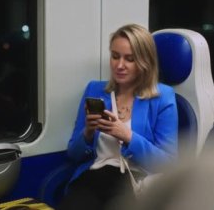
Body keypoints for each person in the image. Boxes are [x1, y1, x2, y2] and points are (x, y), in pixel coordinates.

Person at [58, 24, 178, 210]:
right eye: (115, 56)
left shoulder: (162, 97)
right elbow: (73, 154)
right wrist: (88, 133)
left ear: (145, 62)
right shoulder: (94, 90)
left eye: (129, 59)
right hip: (93, 177)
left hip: (132, 181)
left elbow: (168, 164)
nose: (119, 65)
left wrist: (127, 136)